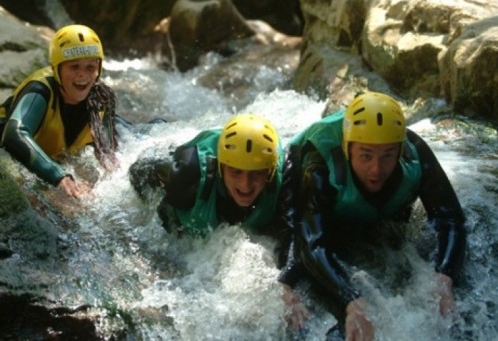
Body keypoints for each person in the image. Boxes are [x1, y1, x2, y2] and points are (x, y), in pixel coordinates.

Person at [278, 92, 466, 340]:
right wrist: (350, 299)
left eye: (387, 155)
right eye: (366, 156)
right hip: (309, 178)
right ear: (348, 149)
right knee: (294, 243)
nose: (376, 168)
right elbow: (311, 246)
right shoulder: (320, 168)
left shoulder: (414, 151)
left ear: (399, 150)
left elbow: (451, 218)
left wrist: (445, 275)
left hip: (373, 202)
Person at [0, 24, 118, 198]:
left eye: (90, 67)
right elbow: (13, 134)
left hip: (54, 155)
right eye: (74, 67)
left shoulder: (101, 99)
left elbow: (107, 153)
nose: (83, 75)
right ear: (57, 69)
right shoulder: (40, 91)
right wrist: (59, 176)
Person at [129, 114, 288, 241]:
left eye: (256, 173)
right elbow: (137, 171)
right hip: (178, 158)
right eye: (235, 172)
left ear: (269, 171)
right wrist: (159, 220)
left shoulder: (284, 185)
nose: (245, 184)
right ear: (221, 167)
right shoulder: (187, 178)